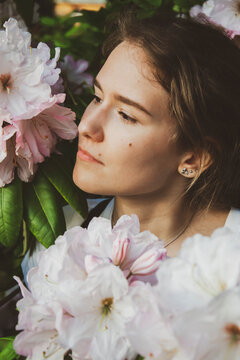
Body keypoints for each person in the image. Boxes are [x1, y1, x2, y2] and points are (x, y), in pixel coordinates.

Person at [73, 11, 240, 257]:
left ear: (195, 158)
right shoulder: (57, 238)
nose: (85, 127)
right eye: (97, 98)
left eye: (126, 115)